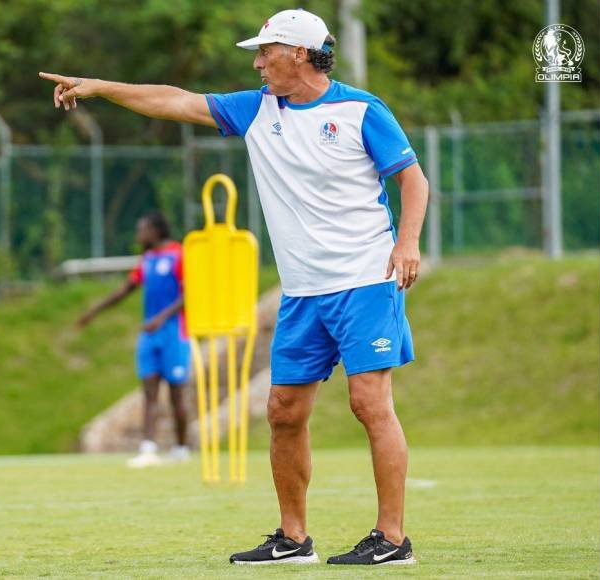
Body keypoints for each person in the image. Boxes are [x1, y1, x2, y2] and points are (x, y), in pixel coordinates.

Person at [41, 7, 428, 566]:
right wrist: (101, 87)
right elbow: (173, 99)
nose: (256, 62)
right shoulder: (255, 110)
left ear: (299, 53)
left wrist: (407, 242)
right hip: (300, 293)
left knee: (370, 404)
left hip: (365, 280)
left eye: (265, 51)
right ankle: (293, 540)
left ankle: (392, 540)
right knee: (283, 412)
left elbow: (412, 181)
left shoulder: (360, 110)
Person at [76, 212, 191, 468]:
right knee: (149, 393)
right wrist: (93, 311)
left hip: (174, 333)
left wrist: (161, 318)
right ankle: (148, 448)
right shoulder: (147, 260)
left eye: (143, 230)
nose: (139, 235)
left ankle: (182, 448)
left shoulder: (179, 254)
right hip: (149, 335)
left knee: (176, 395)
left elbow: (190, 293)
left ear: (157, 230)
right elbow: (124, 290)